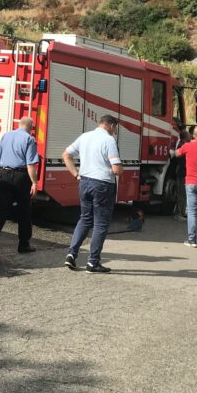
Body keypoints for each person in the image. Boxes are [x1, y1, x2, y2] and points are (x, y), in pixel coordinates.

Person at [63, 114, 122, 273]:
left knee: (85, 219)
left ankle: (71, 254)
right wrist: (117, 168)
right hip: (102, 184)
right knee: (101, 223)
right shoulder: (109, 140)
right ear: (110, 125)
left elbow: (66, 155)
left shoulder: (85, 136)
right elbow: (116, 169)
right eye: (115, 128)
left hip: (84, 182)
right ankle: (93, 262)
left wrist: (75, 173)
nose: (115, 132)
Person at [0, 116, 39, 256]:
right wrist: (34, 182)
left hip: (4, 175)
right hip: (21, 177)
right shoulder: (29, 139)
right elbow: (30, 164)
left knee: (0, 210)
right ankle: (24, 244)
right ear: (31, 127)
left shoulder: (6, 135)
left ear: (19, 125)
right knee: (24, 211)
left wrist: (1, 174)